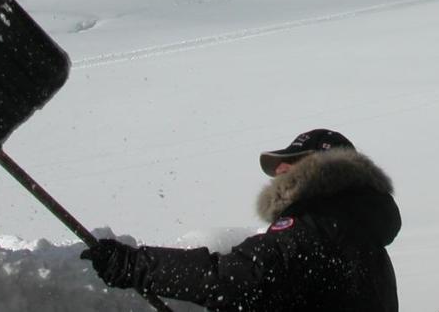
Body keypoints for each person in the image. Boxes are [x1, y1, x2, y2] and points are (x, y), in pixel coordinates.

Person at [81, 128, 401, 311]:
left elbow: (233, 278)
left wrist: (132, 265)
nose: (279, 172)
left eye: (290, 163)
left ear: (321, 169)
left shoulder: (315, 229)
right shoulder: (360, 233)